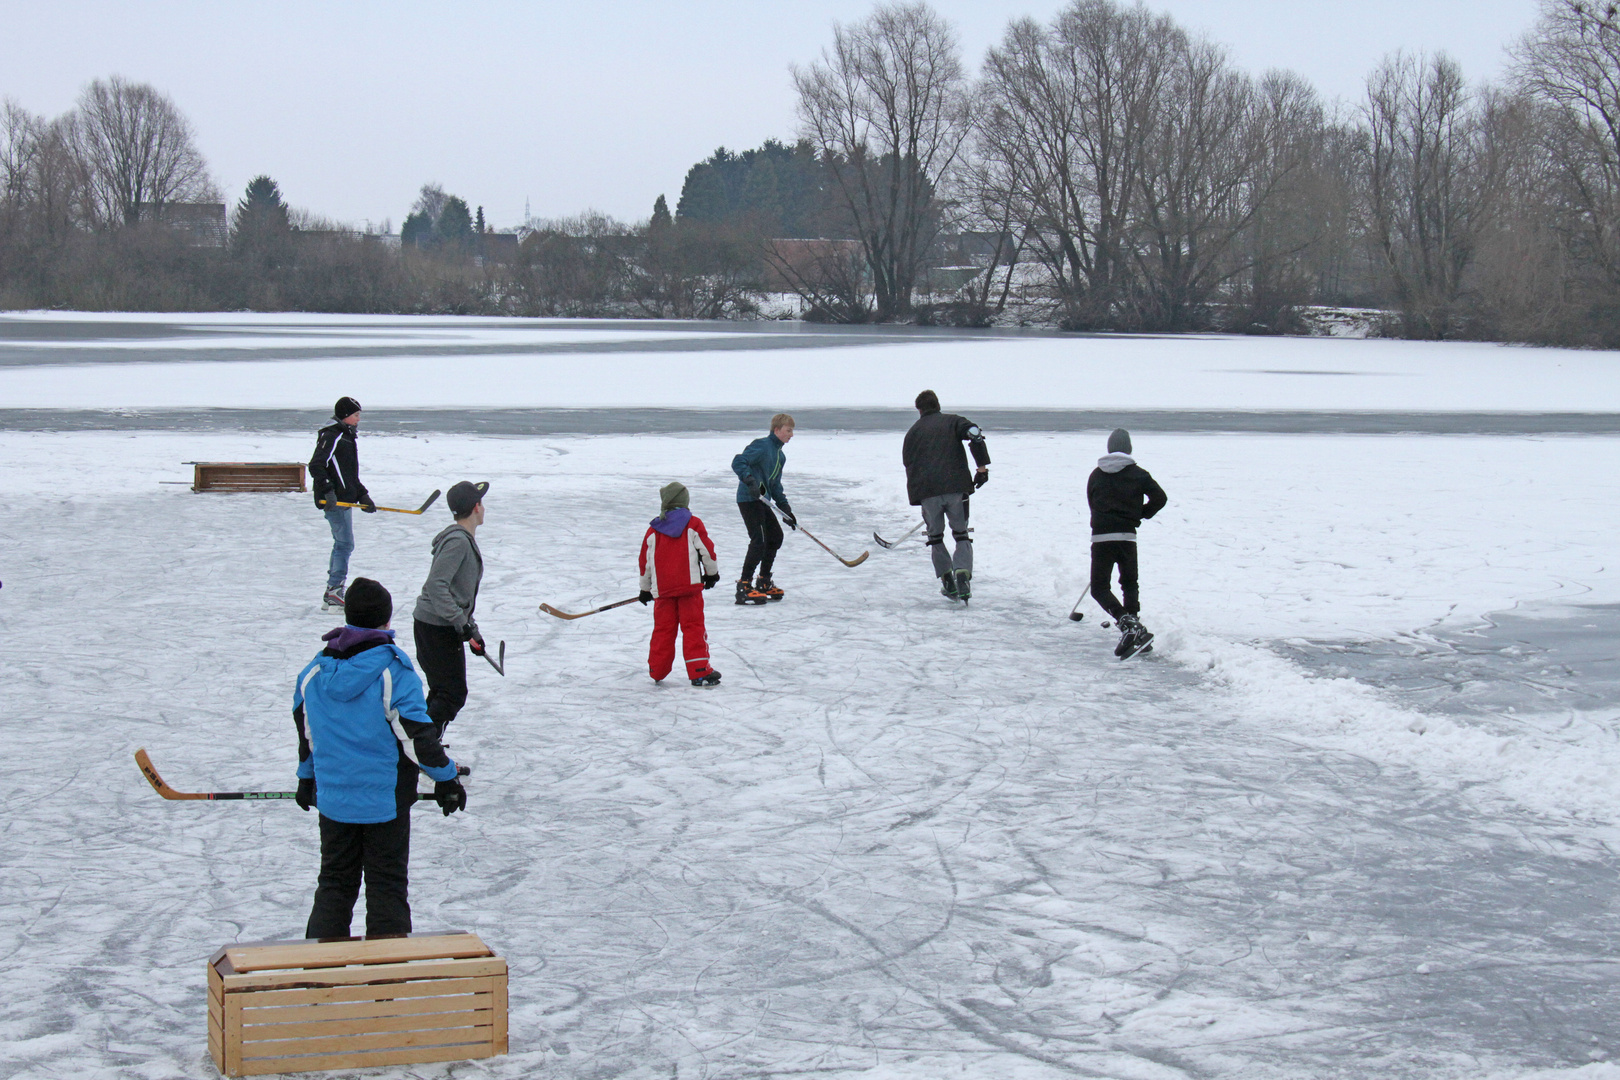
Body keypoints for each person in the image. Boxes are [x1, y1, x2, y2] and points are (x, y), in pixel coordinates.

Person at [293, 577, 466, 939]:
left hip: (335, 803)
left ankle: (320, 981)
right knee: (387, 889)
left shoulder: (313, 673)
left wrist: (307, 778)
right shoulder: (393, 672)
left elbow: (307, 734)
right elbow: (418, 739)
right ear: (387, 621)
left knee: (334, 886)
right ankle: (385, 987)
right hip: (383, 805)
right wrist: (447, 778)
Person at [412, 481, 489, 737]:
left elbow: (459, 594)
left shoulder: (461, 539)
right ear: (476, 507)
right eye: (482, 502)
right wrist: (461, 622)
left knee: (442, 691)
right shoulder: (458, 542)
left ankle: (423, 749)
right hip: (436, 627)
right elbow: (436, 585)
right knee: (451, 694)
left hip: (440, 625)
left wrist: (472, 630)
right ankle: (425, 752)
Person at [902, 390, 990, 601]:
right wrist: (982, 468)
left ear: (920, 410)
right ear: (938, 405)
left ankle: (947, 580)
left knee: (935, 537)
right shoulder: (953, 422)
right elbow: (974, 433)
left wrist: (918, 497)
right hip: (955, 487)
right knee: (960, 533)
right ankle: (962, 573)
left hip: (928, 492)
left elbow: (909, 464)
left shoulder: (912, 433)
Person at [1088, 428, 1168, 657]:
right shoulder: (1139, 474)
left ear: (1109, 447)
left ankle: (1128, 626)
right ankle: (1134, 628)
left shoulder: (1096, 474)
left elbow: (1092, 502)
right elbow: (1160, 498)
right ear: (1129, 448)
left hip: (1102, 536)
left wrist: (1105, 517)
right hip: (1126, 536)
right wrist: (1139, 513)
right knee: (1129, 582)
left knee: (1100, 588)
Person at [638, 481, 722, 686]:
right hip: (689, 589)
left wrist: (645, 589)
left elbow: (645, 563)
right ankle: (699, 671)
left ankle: (657, 670)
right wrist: (712, 574)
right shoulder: (693, 524)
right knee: (693, 628)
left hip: (663, 591)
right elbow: (707, 552)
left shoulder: (653, 530)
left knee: (663, 629)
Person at [308, 396, 375, 609]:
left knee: (343, 543)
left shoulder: (346, 436)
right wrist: (328, 492)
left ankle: (334, 589)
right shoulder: (333, 435)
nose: (358, 419)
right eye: (356, 415)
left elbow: (348, 474)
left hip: (344, 500)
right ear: (345, 415)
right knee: (345, 544)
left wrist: (362, 495)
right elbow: (316, 465)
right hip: (334, 501)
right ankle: (334, 590)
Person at [730, 413, 797, 605]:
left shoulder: (780, 455)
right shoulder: (762, 446)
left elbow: (774, 484)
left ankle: (764, 581)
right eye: (788, 430)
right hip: (749, 499)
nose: (791, 434)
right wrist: (749, 480)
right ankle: (743, 585)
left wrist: (786, 509)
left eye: (792, 430)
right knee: (759, 540)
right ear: (777, 430)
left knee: (775, 536)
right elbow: (738, 461)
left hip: (763, 500)